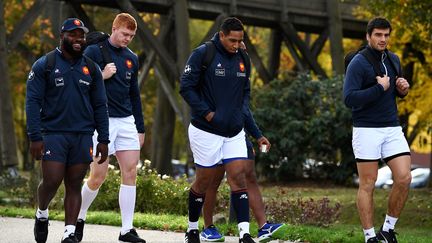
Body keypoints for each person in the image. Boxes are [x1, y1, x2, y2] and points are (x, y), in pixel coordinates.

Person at [26, 18, 109, 243]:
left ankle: (69, 233)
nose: (78, 39)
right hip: (53, 132)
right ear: (61, 36)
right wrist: (34, 136)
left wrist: (104, 138)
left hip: (82, 135)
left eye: (81, 35)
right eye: (73, 35)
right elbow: (32, 101)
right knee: (52, 180)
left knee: (74, 183)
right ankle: (42, 213)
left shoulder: (91, 68)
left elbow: (101, 105)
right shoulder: (45, 64)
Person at [180, 17, 256, 243]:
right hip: (206, 130)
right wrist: (208, 113)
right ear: (221, 35)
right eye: (232, 40)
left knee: (238, 178)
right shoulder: (203, 54)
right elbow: (186, 87)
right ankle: (192, 229)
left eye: (240, 40)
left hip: (234, 131)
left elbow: (245, 94)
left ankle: (245, 234)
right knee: (203, 181)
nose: (236, 44)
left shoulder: (243, 57)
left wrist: (249, 124)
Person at [74, 13, 146, 243]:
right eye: (125, 34)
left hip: (126, 121)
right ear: (114, 28)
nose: (127, 39)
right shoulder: (94, 51)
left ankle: (126, 229)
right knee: (98, 176)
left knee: (131, 172)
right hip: (101, 120)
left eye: (132, 36)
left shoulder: (132, 58)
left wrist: (140, 127)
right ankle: (78, 217)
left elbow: (134, 95)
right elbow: (78, 84)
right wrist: (101, 76)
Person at [343, 17, 411, 243]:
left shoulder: (393, 59)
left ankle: (387, 230)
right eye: (378, 35)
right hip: (367, 129)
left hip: (391, 127)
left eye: (386, 35)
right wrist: (378, 88)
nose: (383, 39)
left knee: (404, 178)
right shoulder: (358, 63)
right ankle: (369, 236)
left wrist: (402, 89)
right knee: (368, 183)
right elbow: (349, 98)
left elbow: (395, 91)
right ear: (368, 36)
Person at [201, 107, 289, 243]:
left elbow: (243, 109)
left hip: (237, 134)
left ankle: (264, 227)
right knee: (213, 180)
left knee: (249, 177)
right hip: (213, 133)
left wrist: (257, 135)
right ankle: (208, 228)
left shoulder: (239, 87)